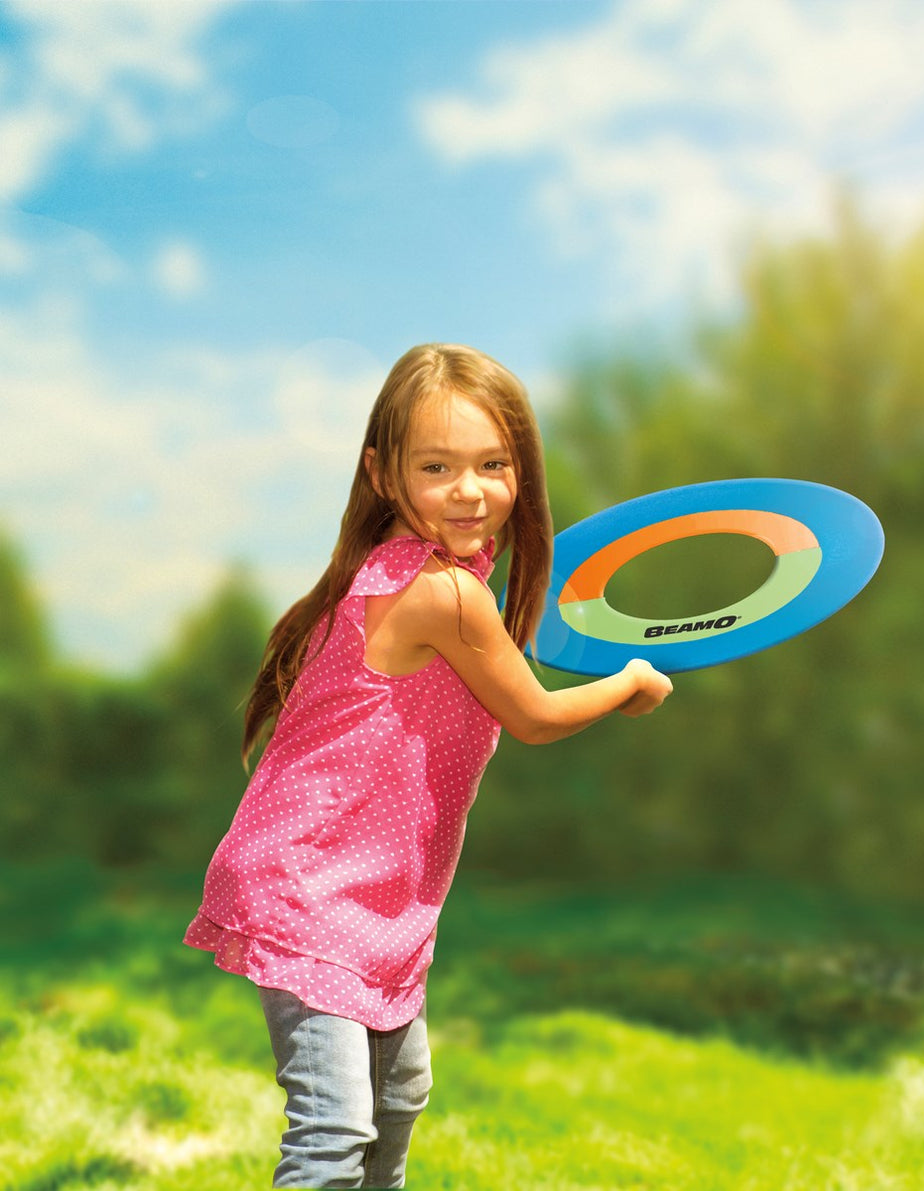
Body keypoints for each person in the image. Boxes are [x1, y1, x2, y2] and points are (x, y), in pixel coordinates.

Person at [184, 343, 673, 1189]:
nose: (470, 490)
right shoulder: (444, 595)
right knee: (335, 1124)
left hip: (372, 897)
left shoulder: (420, 577)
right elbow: (535, 713)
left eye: (493, 464)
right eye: (437, 466)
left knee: (400, 1094)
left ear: (523, 469)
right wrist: (628, 680)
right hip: (316, 889)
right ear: (382, 473)